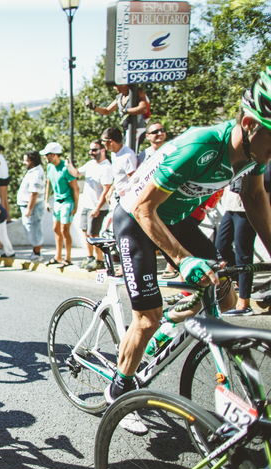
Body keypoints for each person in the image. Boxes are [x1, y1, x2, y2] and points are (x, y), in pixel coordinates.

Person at [109, 67, 271, 434]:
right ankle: (119, 390)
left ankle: (175, 319)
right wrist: (183, 260)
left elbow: (255, 196)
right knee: (147, 319)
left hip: (176, 219)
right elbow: (144, 209)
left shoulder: (254, 153)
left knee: (224, 293)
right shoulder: (200, 145)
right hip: (137, 218)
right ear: (249, 124)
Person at [66, 139, 114, 271]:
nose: (91, 152)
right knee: (86, 232)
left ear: (102, 150)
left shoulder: (106, 167)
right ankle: (90, 257)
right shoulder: (91, 164)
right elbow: (76, 173)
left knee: (94, 235)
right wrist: (69, 165)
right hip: (86, 205)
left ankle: (99, 261)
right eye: (90, 149)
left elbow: (106, 190)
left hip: (97, 207)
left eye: (94, 150)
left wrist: (97, 208)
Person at [215, 183, 258, 316]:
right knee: (220, 247)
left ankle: (244, 303)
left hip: (246, 208)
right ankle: (239, 280)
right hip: (230, 207)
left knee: (243, 254)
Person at [41, 142, 78, 266]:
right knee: (56, 229)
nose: (45, 157)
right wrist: (46, 201)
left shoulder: (65, 169)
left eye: (47, 155)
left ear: (54, 155)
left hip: (68, 202)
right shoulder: (50, 167)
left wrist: (75, 207)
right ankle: (58, 256)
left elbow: (76, 188)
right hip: (57, 202)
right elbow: (49, 184)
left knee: (64, 230)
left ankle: (68, 258)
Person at [87, 84, 151, 145]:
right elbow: (107, 111)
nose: (114, 88)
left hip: (137, 129)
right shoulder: (119, 98)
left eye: (115, 86)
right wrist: (94, 107)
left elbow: (144, 108)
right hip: (126, 130)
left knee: (130, 150)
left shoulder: (137, 92)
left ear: (123, 85)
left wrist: (126, 111)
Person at [102, 126, 138, 200]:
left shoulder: (127, 156)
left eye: (103, 140)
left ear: (111, 142)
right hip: (117, 195)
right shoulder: (114, 153)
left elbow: (132, 180)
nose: (102, 143)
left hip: (126, 197)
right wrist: (111, 190)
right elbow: (119, 176)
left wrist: (123, 195)